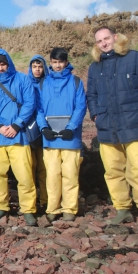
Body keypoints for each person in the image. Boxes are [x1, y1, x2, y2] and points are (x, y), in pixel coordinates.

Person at [87, 26, 138, 232]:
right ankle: (122, 209)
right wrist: (95, 114)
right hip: (106, 128)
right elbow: (91, 95)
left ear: (115, 37)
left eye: (106, 38)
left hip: (134, 125)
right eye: (99, 41)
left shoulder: (136, 59)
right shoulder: (95, 67)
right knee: (112, 171)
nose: (103, 43)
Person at [0, 49, 38, 226]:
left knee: (25, 175)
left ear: (8, 62)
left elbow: (30, 103)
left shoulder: (22, 79)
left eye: (3, 63)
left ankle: (28, 209)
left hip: (19, 136)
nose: (1, 67)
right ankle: (1, 206)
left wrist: (16, 125)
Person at [37, 48, 86, 222]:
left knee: (71, 174)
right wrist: (43, 128)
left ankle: (69, 208)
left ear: (66, 62)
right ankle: (53, 207)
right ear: (50, 62)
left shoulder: (76, 82)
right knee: (52, 175)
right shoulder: (43, 84)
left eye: (61, 62)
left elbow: (81, 107)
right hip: (50, 139)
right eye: (54, 62)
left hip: (70, 138)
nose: (57, 65)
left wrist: (71, 127)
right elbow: (39, 109)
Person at [27, 55, 49, 211]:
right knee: (30, 167)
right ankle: (32, 200)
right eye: (34, 66)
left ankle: (46, 199)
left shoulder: (48, 84)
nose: (37, 69)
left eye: (40, 66)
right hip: (28, 129)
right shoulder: (26, 84)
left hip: (45, 129)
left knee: (44, 167)